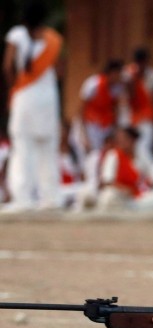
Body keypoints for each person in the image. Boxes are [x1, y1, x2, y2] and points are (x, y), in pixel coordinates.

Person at [2, 1, 63, 211]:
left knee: (22, 147)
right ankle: (51, 199)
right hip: (48, 97)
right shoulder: (53, 39)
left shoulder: (17, 34)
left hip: (25, 96)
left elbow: (7, 66)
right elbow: (59, 70)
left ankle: (23, 200)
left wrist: (14, 88)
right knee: (48, 148)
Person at [124, 47, 153, 161]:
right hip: (130, 116)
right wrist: (134, 79)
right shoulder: (128, 74)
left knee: (144, 148)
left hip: (147, 116)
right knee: (130, 147)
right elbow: (129, 97)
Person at [78, 59, 125, 155]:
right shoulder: (93, 84)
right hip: (91, 124)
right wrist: (83, 133)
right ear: (112, 73)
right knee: (92, 153)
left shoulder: (117, 88)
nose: (119, 77)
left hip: (106, 126)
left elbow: (116, 109)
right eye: (118, 74)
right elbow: (81, 108)